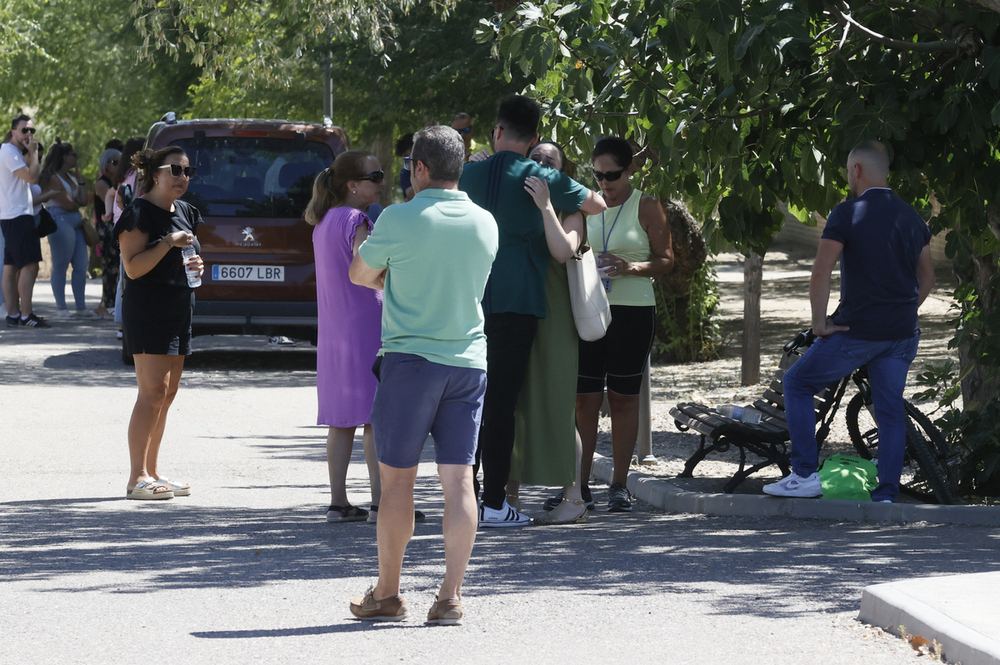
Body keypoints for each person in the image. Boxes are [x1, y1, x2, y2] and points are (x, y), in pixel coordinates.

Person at [348, 125, 498, 624]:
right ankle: (450, 596)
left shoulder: (397, 218)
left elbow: (360, 273)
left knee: (398, 485)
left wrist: (395, 273)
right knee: (459, 483)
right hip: (469, 363)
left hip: (410, 363)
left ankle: (387, 594)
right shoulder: (485, 222)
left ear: (420, 168)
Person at [459, 95, 606, 528]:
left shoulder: (471, 173)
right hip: (520, 303)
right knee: (504, 403)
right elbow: (596, 203)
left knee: (470, 401)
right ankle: (493, 503)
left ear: (497, 131)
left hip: (469, 300)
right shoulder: (539, 176)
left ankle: (462, 497)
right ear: (536, 138)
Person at [763, 140, 935, 503]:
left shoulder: (846, 212)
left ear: (857, 170)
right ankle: (887, 492)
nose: (847, 177)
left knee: (796, 382)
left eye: (846, 170)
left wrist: (819, 323)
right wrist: (903, 309)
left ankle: (804, 475)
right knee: (889, 411)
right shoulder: (913, 217)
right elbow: (928, 279)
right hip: (903, 333)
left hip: (859, 329)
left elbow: (821, 272)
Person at [576, 137, 674, 513]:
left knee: (622, 398)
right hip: (588, 310)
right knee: (584, 400)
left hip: (632, 311)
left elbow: (666, 261)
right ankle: (578, 486)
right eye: (598, 175)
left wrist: (630, 266)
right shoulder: (587, 205)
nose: (605, 183)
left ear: (629, 169)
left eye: (612, 175)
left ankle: (619, 484)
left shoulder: (646, 205)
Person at [506, 141, 590, 525]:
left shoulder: (571, 210)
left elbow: (561, 251)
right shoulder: (512, 200)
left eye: (549, 161)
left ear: (561, 171)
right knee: (513, 402)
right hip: (516, 309)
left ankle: (574, 498)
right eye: (534, 158)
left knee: (557, 404)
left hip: (555, 316)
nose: (540, 165)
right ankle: (507, 494)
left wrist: (545, 207)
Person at [115, 146, 204, 500]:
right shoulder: (138, 212)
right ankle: (136, 478)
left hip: (179, 307)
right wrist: (167, 242)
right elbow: (133, 268)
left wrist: (198, 265)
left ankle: (152, 471)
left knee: (166, 395)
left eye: (188, 172)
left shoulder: (186, 211)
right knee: (151, 394)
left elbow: (192, 256)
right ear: (155, 174)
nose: (183, 178)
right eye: (176, 171)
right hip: (148, 309)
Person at [304, 150, 385, 523]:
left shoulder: (323, 220)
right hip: (365, 323)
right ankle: (381, 502)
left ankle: (338, 502)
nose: (381, 182)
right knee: (373, 417)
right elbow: (362, 264)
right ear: (353, 185)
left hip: (334, 327)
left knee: (341, 420)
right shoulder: (357, 219)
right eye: (375, 176)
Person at [1, 114, 49, 329]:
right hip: (18, 216)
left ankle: (13, 314)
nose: (29, 134)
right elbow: (32, 177)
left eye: (32, 131)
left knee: (11, 266)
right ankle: (25, 315)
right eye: (24, 130)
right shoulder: (9, 152)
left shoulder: (12, 153)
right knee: (29, 266)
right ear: (13, 132)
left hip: (14, 215)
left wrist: (29, 154)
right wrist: (35, 152)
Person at [40, 141, 94, 319]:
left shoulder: (70, 177)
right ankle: (61, 308)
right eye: (73, 155)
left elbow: (83, 201)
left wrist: (79, 177)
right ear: (64, 157)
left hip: (75, 223)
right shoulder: (53, 177)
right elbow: (69, 204)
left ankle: (81, 307)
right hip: (60, 220)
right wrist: (78, 201)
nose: (76, 159)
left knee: (80, 264)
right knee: (60, 265)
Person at [109, 137, 145, 341]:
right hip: (130, 228)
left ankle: (123, 323)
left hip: (122, 226)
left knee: (125, 276)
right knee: (129, 278)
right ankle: (124, 324)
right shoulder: (135, 177)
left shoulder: (124, 175)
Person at [94, 148, 121, 318]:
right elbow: (111, 203)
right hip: (106, 230)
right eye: (115, 163)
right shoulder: (102, 183)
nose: (119, 166)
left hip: (115, 228)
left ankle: (108, 303)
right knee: (110, 267)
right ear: (107, 164)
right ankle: (107, 305)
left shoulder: (116, 182)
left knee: (116, 267)